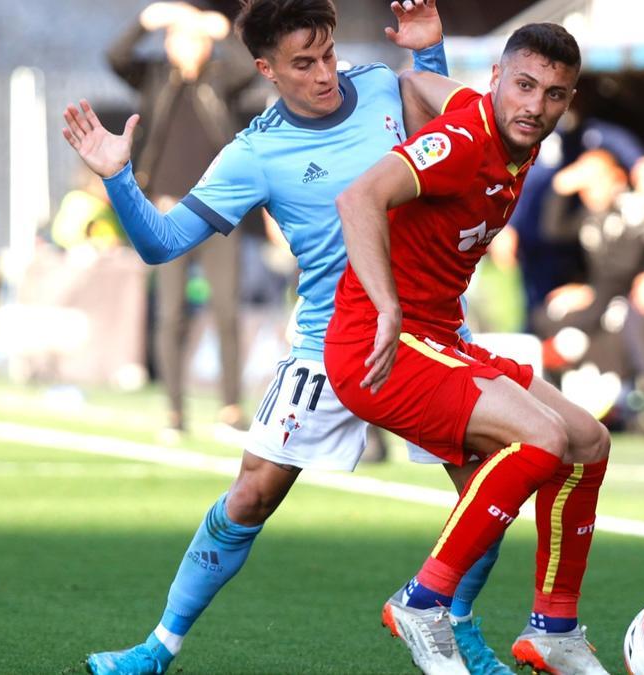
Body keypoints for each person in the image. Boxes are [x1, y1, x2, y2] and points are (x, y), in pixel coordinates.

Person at [62, 2, 515, 674]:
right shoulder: (254, 154)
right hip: (328, 340)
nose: (325, 72)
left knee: (487, 481)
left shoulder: (385, 89)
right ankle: (159, 646)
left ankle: (462, 629)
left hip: (421, 325)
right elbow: (160, 245)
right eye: (304, 63)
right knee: (251, 493)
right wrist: (118, 178)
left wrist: (428, 54)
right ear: (265, 69)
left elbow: (455, 136)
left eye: (328, 53)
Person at [326, 23, 612, 675]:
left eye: (554, 94)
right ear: (498, 79)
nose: (535, 105)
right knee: (540, 440)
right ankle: (422, 601)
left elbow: (419, 82)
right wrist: (387, 301)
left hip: (440, 338)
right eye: (525, 85)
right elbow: (359, 196)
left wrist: (423, 49)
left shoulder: (510, 128)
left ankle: (553, 629)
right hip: (381, 341)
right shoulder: (462, 141)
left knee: (588, 441)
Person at [107, 0, 257, 439]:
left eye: (193, 39)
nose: (185, 45)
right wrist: (146, 21)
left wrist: (223, 30)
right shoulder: (155, 77)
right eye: (178, 38)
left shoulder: (219, 80)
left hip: (216, 213)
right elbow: (116, 58)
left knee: (227, 310)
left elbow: (250, 68)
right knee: (171, 313)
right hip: (168, 211)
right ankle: (174, 412)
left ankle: (230, 407)